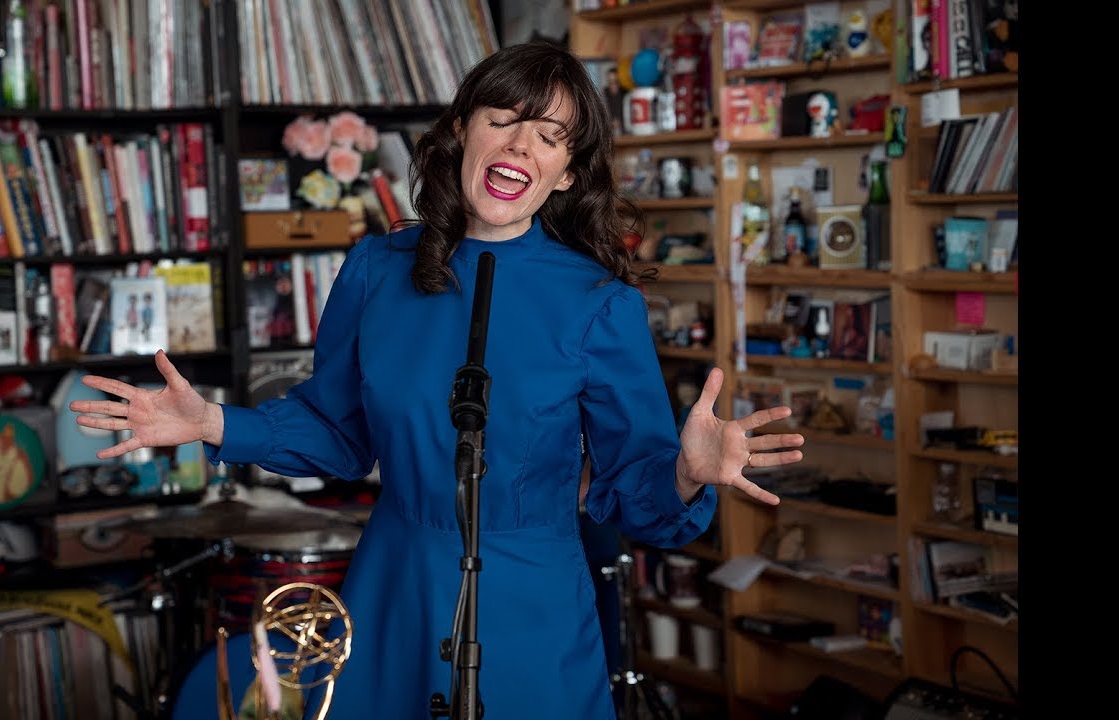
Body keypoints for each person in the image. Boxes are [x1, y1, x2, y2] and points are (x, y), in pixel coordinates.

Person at [71, 41, 804, 720]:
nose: (523, 145)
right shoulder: (375, 270)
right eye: (505, 120)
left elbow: (629, 490)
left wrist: (684, 472)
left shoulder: (599, 303)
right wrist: (214, 424)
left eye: (551, 138)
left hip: (536, 596)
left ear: (567, 173)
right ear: (462, 131)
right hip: (394, 585)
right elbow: (337, 432)